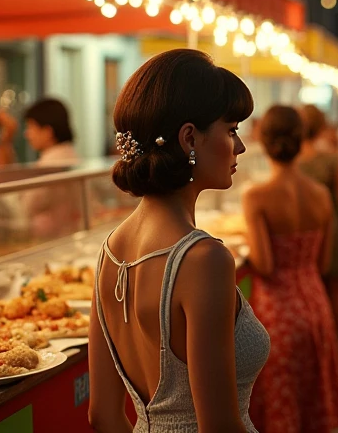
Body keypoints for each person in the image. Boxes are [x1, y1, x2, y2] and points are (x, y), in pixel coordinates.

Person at [89, 49, 268, 433]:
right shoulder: (204, 259)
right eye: (232, 129)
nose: (240, 147)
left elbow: (102, 414)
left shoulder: (109, 252)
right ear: (190, 138)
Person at [244, 105, 338, 433]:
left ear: (263, 141)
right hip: (315, 303)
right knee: (312, 402)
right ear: (301, 140)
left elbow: (266, 264)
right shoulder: (320, 195)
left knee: (281, 404)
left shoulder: (257, 197)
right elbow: (324, 262)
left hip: (277, 312)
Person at [298, 104, 338, 358]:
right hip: (334, 227)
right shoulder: (331, 159)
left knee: (314, 290)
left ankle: (318, 344)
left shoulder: (293, 164)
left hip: (304, 230)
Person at [24, 98, 79, 166]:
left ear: (47, 132)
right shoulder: (70, 154)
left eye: (30, 127)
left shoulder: (48, 165)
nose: (26, 134)